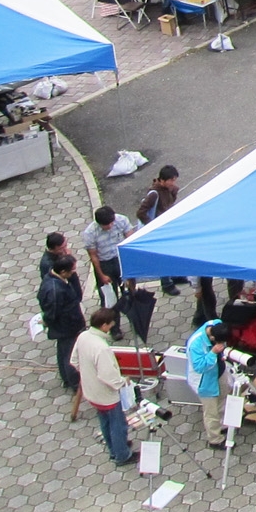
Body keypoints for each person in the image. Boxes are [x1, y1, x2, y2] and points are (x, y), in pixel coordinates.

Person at [72, 308, 137, 465]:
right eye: (111, 323)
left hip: (90, 390)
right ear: (104, 326)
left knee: (105, 422)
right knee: (118, 424)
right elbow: (108, 376)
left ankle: (114, 449)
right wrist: (123, 381)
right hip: (106, 394)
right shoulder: (102, 348)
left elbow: (74, 360)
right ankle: (122, 455)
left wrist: (88, 374)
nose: (113, 325)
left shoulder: (83, 336)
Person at [80, 205, 136, 338]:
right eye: (106, 225)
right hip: (105, 264)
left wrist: (129, 268)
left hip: (121, 259)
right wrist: (101, 275)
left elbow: (130, 241)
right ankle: (114, 328)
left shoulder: (121, 220)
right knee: (110, 300)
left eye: (111, 223)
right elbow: (93, 256)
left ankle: (135, 321)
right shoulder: (90, 233)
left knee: (131, 293)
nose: (110, 226)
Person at [38, 251, 85, 390]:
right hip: (66, 326)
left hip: (67, 324)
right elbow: (52, 312)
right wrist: (47, 321)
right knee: (70, 355)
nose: (74, 273)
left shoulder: (52, 279)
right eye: (72, 270)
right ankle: (74, 382)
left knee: (63, 351)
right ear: (63, 271)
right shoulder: (56, 290)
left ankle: (67, 379)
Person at [135, 165, 183, 295]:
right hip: (159, 230)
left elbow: (169, 204)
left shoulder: (168, 189)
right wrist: (153, 226)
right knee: (162, 256)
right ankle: (166, 283)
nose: (173, 183)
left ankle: (175, 275)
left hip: (166, 227)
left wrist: (173, 191)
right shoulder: (154, 194)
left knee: (172, 252)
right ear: (162, 180)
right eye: (171, 180)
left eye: (174, 180)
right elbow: (141, 213)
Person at [188, 318, 234, 448]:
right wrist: (213, 353)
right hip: (205, 382)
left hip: (219, 372)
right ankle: (215, 440)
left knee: (223, 398)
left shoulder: (216, 324)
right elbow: (199, 367)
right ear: (212, 338)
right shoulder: (195, 344)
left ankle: (222, 424)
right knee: (211, 412)